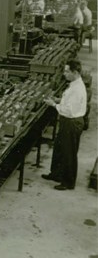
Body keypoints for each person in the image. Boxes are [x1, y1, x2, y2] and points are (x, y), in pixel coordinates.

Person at [42, 59, 87, 190]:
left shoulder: (77, 89)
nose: (64, 74)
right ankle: (56, 174)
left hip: (72, 122)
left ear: (75, 72)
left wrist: (54, 105)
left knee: (69, 152)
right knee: (59, 148)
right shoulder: (74, 84)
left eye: (67, 71)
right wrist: (59, 100)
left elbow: (69, 110)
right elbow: (69, 102)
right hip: (67, 121)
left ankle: (68, 182)